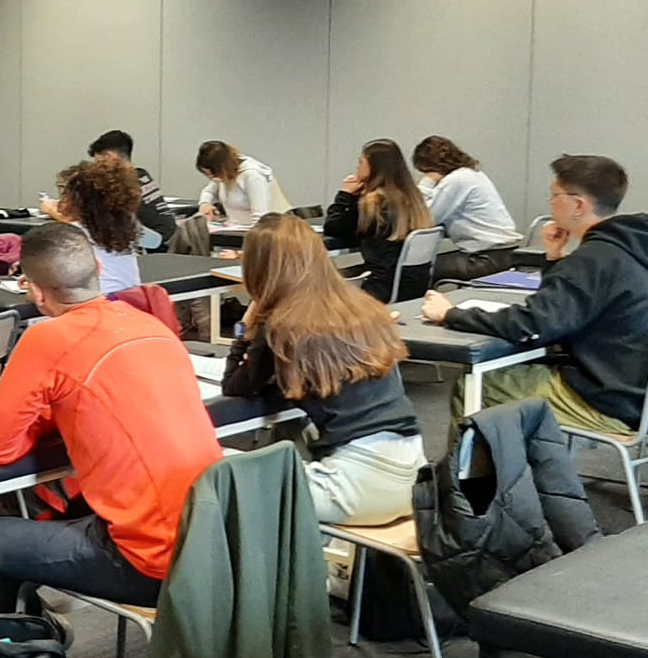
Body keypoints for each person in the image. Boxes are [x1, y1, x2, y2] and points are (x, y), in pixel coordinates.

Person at [0, 225, 221, 637]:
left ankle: (21, 639)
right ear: (97, 270)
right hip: (212, 543)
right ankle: (23, 618)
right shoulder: (151, 326)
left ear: (36, 293)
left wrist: (37, 421)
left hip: (150, 562)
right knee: (44, 509)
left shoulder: (49, 339)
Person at [426, 154, 648, 436]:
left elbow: (532, 326)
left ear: (578, 205)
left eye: (554, 195)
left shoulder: (593, 259)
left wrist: (450, 314)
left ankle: (466, 467)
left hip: (612, 402)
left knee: (480, 386)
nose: (550, 203)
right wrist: (554, 257)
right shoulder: (638, 247)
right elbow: (562, 310)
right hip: (644, 395)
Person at [221, 215, 423, 524]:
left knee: (219, 468)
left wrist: (244, 330)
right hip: (414, 480)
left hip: (353, 489)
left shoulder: (280, 325)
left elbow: (234, 385)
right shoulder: (363, 308)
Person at [323, 139, 436, 301]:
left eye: (360, 162)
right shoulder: (413, 199)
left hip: (379, 286)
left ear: (373, 167)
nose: (357, 166)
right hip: (412, 286)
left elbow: (333, 227)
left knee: (320, 281)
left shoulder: (374, 203)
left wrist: (345, 195)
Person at [413, 136, 522, 277]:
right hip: (506, 253)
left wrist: (427, 182)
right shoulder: (474, 174)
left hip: (485, 258)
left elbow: (424, 218)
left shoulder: (455, 181)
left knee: (419, 269)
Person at [41, 154, 143, 293]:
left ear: (76, 200)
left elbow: (49, 290)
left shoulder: (68, 237)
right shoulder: (125, 230)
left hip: (97, 301)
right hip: (129, 301)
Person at [88, 129, 175, 249]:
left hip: (153, 246)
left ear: (109, 157)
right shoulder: (141, 175)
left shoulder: (121, 184)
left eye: (99, 163)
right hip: (170, 239)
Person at [195, 141, 282, 227]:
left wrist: (250, 234)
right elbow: (208, 191)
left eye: (214, 175)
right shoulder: (223, 175)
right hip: (236, 227)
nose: (212, 179)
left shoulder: (253, 175)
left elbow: (260, 218)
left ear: (223, 168)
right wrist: (205, 204)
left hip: (259, 230)